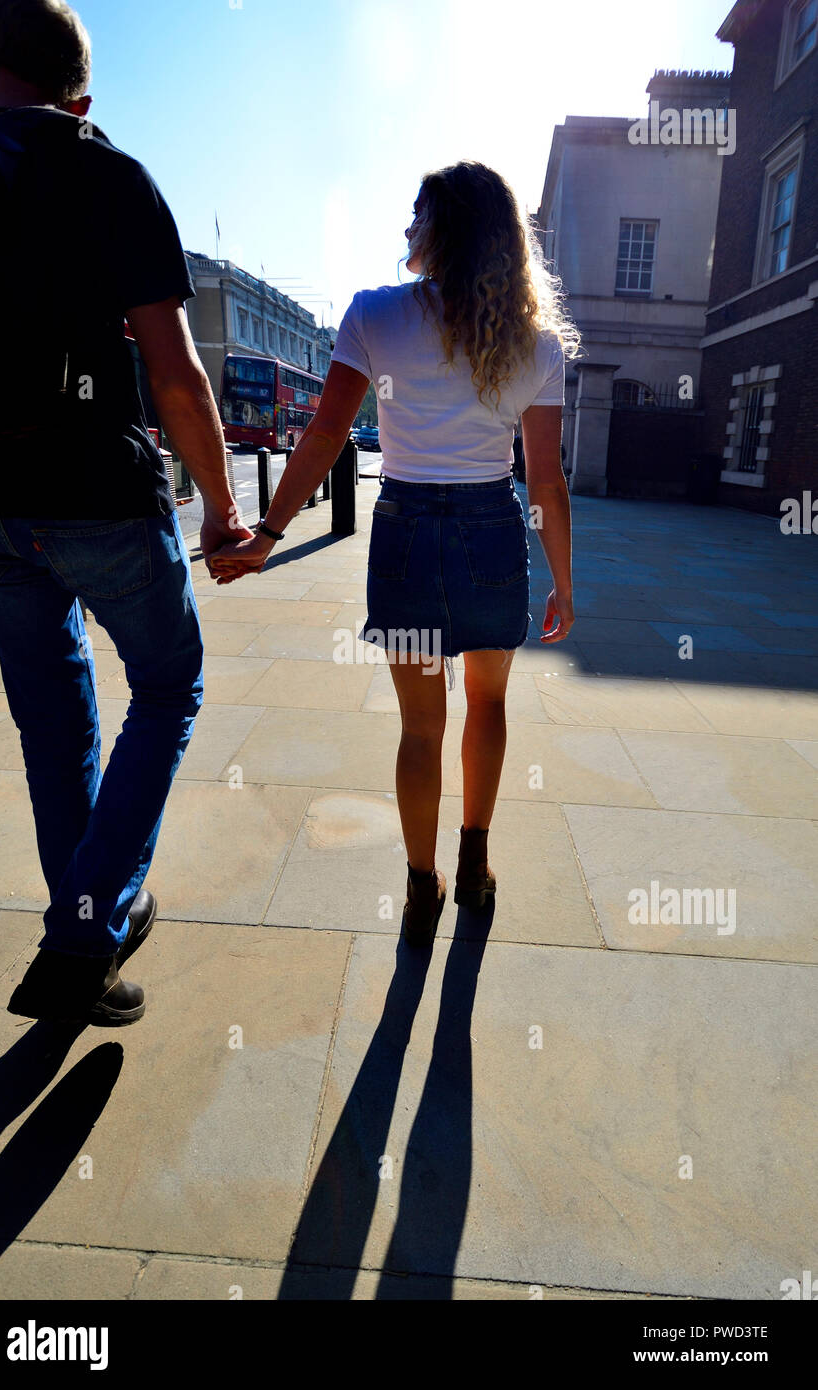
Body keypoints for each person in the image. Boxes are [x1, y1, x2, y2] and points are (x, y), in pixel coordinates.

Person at [0, 0, 249, 1024]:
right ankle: (85, 929)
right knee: (168, 684)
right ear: (80, 93)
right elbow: (173, 375)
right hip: (99, 495)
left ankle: (90, 907)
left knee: (49, 709)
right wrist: (219, 506)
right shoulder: (108, 172)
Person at [211, 161, 580, 945]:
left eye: (417, 217)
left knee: (420, 726)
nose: (406, 231)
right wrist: (564, 584)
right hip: (490, 532)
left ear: (443, 230)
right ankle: (474, 861)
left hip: (406, 532)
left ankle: (421, 887)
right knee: (487, 704)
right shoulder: (535, 343)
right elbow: (544, 477)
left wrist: (269, 534)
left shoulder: (374, 317)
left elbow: (324, 435)